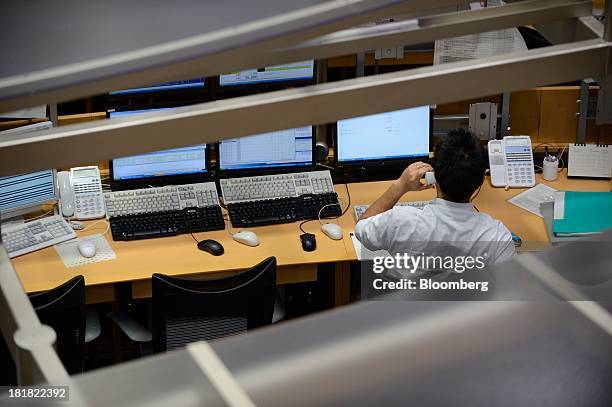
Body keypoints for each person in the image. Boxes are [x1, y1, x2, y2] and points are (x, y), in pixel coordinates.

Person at [355, 128, 515, 278]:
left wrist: (400, 186)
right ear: (481, 180)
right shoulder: (498, 236)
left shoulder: (402, 221)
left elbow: (361, 229)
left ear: (434, 176)